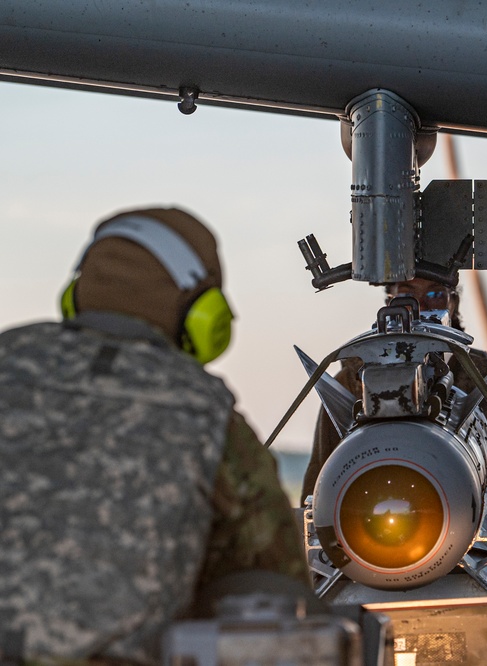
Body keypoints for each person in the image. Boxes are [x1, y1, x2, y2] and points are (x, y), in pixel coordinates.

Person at [0, 207, 310, 664]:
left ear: (75, 295)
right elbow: (275, 581)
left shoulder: (8, 363)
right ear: (202, 317)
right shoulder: (203, 411)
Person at [301, 275, 487, 505]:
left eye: (435, 295)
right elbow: (318, 491)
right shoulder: (350, 385)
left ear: (454, 303)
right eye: (406, 295)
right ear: (389, 304)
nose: (420, 307)